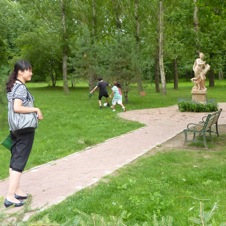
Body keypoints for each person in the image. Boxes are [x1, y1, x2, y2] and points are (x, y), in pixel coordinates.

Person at [4, 60, 43, 208]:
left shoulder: (13, 86)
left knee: (15, 158)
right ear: (20, 71)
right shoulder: (20, 88)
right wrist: (36, 109)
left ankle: (17, 190)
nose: (31, 73)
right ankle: (10, 196)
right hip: (24, 129)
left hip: (14, 128)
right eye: (29, 70)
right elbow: (17, 107)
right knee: (19, 161)